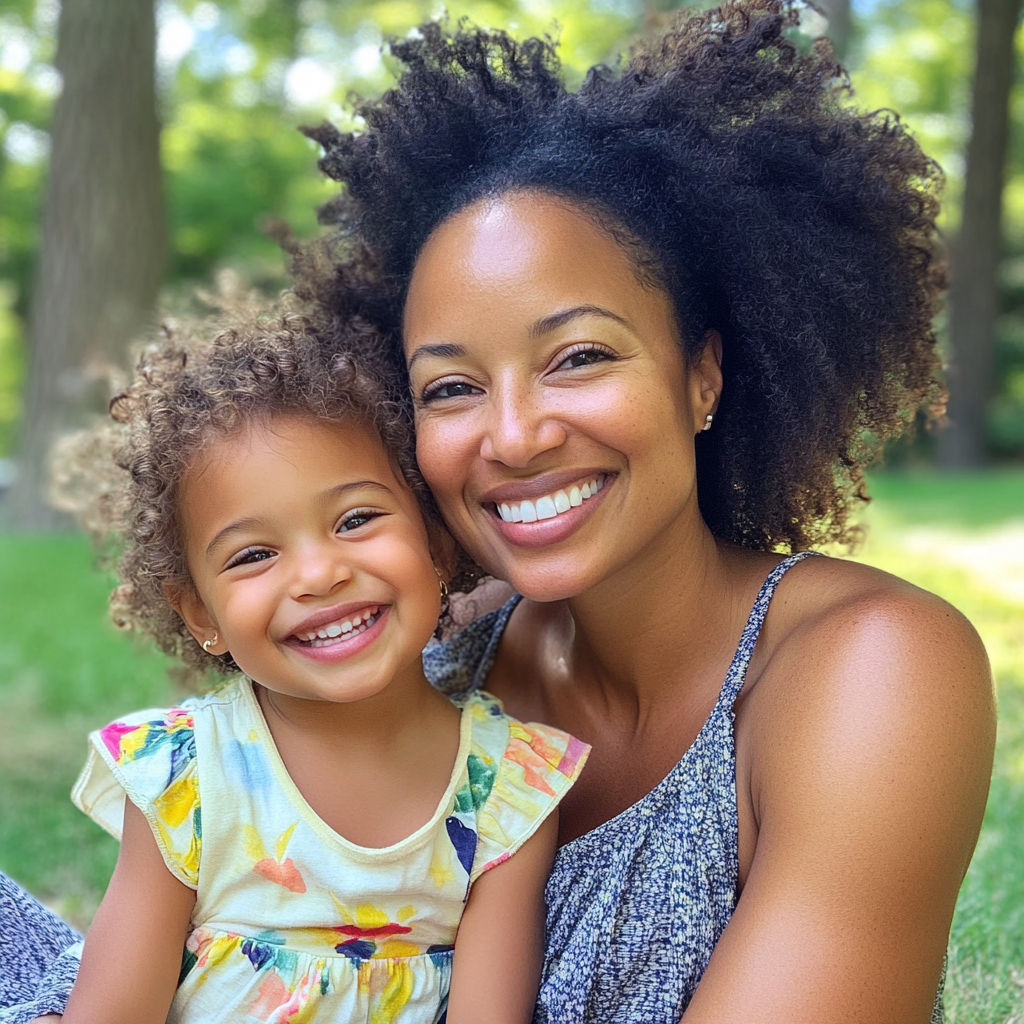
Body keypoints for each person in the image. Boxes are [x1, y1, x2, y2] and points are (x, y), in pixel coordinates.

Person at [0, 1, 996, 1022]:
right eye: (450, 387)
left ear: (702, 375)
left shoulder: (875, 668)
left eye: (579, 356)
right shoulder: (442, 646)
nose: (512, 436)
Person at [7, 308, 588, 1024]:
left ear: (436, 543)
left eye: (355, 520)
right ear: (202, 615)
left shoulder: (505, 793)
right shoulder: (186, 777)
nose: (318, 574)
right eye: (253, 555)